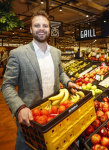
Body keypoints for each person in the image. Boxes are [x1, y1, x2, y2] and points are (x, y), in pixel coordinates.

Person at [1, 10, 79, 150]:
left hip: (54, 114)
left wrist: (68, 82)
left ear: (49, 29)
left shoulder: (56, 52)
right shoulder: (18, 54)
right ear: (31, 29)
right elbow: (7, 85)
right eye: (37, 26)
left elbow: (60, 71)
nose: (41, 29)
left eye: (45, 26)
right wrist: (20, 108)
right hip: (30, 120)